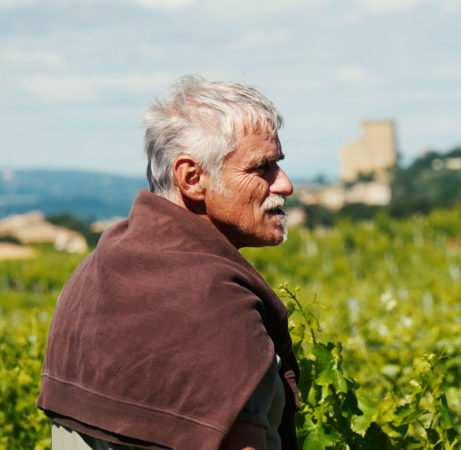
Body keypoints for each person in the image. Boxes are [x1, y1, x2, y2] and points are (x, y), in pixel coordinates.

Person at [37, 74, 301, 450]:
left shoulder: (89, 275)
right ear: (192, 178)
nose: (284, 184)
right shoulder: (217, 305)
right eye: (262, 168)